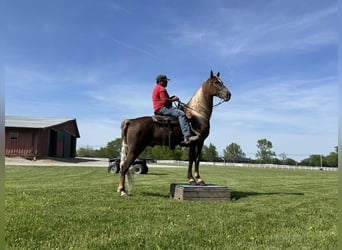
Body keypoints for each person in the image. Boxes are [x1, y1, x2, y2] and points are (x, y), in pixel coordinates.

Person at [152, 74, 198, 143]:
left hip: (158, 108)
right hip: (162, 108)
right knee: (181, 114)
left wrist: (171, 98)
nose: (167, 82)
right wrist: (174, 99)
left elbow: (163, 99)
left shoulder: (156, 88)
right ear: (161, 81)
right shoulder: (162, 89)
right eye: (165, 81)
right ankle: (187, 136)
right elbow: (164, 101)